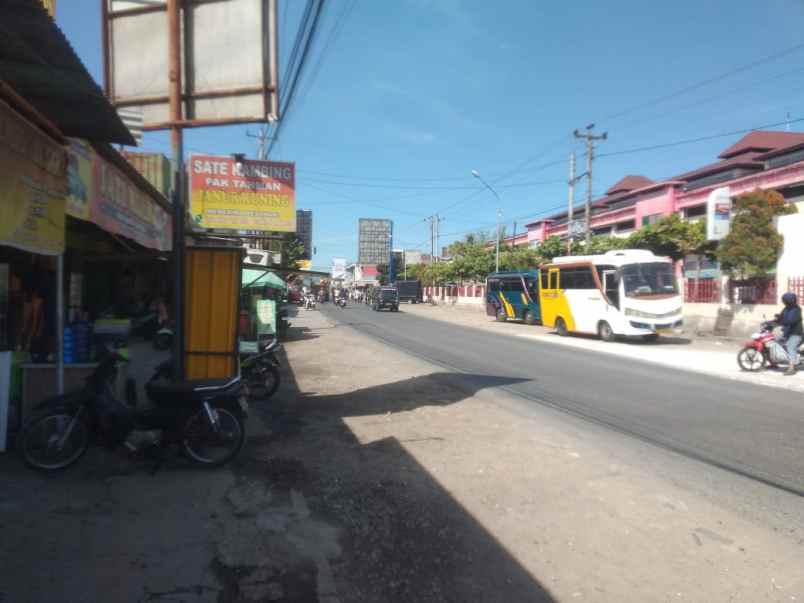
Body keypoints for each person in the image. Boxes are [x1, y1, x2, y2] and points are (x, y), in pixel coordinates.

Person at [775, 292, 802, 375]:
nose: (784, 302)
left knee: (790, 347)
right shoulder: (786, 308)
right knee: (776, 343)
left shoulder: (797, 309)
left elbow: (791, 320)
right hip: (787, 332)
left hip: (796, 333)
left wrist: (783, 321)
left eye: (786, 300)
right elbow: (781, 317)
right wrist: (774, 320)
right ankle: (774, 363)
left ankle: (791, 368)